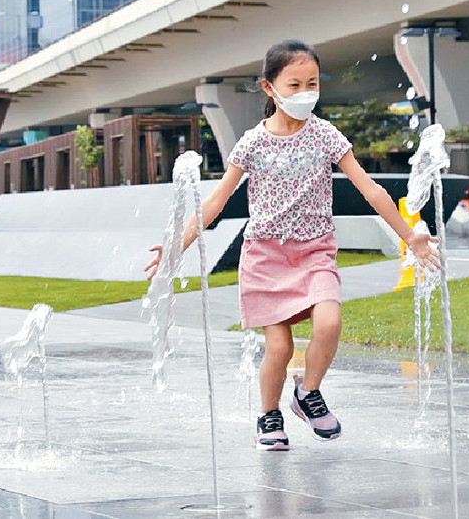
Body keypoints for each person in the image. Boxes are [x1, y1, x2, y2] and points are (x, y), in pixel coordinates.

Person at [145, 40, 439, 451]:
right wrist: (175, 246)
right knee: (279, 347)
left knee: (329, 323)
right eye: (295, 84)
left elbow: (371, 190)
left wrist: (410, 237)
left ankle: (308, 393)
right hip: (265, 255)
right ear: (270, 89)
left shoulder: (325, 136)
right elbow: (214, 201)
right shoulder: (252, 143)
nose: (305, 94)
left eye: (312, 84)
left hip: (315, 249)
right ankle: (269, 414)